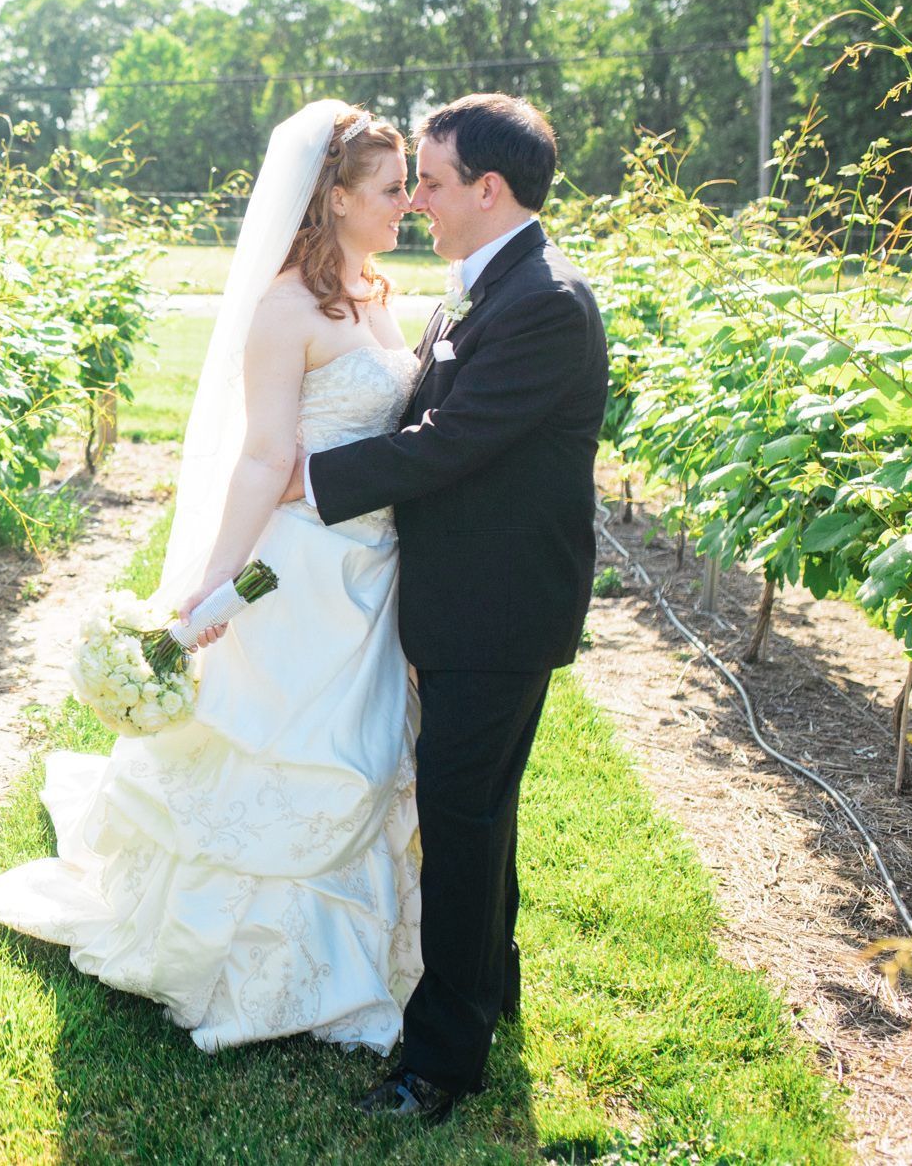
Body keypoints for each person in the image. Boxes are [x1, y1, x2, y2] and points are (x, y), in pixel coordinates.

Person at [0, 99, 425, 1054]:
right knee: (292, 753)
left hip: (375, 572)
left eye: (410, 185)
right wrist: (215, 585)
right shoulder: (283, 309)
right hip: (298, 572)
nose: (408, 203)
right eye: (390, 187)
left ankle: (365, 955)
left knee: (373, 755)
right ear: (333, 197)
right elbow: (261, 459)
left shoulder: (379, 290)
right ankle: (247, 962)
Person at [281, 93, 608, 1122]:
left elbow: (446, 445)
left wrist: (310, 477)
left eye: (427, 179)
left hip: (496, 612)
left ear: (487, 188)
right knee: (478, 813)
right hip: (469, 603)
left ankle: (438, 1061)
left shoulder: (543, 301)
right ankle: (488, 989)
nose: (414, 198)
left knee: (458, 826)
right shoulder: (483, 292)